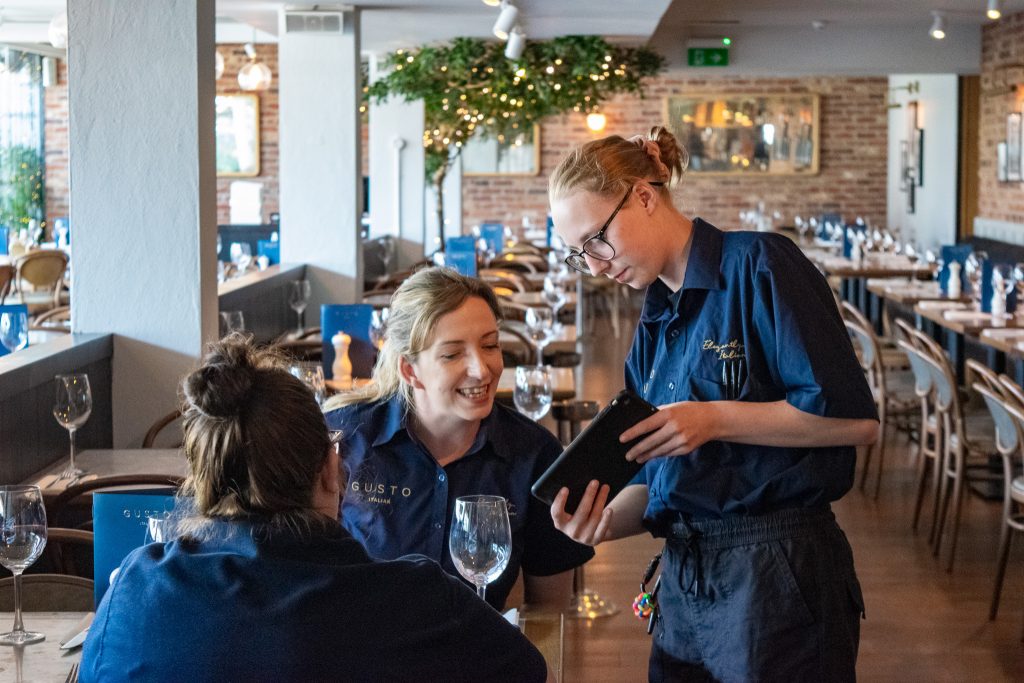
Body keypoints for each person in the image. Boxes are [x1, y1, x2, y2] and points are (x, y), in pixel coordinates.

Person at [546, 127, 878, 682]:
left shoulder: (760, 265)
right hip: (683, 579)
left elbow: (855, 423)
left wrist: (713, 419)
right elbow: (658, 482)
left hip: (779, 573)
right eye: (581, 255)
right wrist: (601, 523)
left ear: (645, 196)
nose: (597, 264)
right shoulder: (654, 321)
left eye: (597, 239)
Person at [80, 336, 547, 683]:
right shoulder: (420, 601)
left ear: (205, 477)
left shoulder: (136, 592)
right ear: (331, 467)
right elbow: (529, 672)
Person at [324, 268, 594, 612]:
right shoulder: (343, 439)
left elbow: (548, 612)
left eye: (490, 345)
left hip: (478, 661)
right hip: (362, 658)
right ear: (410, 370)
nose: (481, 369)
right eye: (452, 354)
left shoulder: (535, 455)